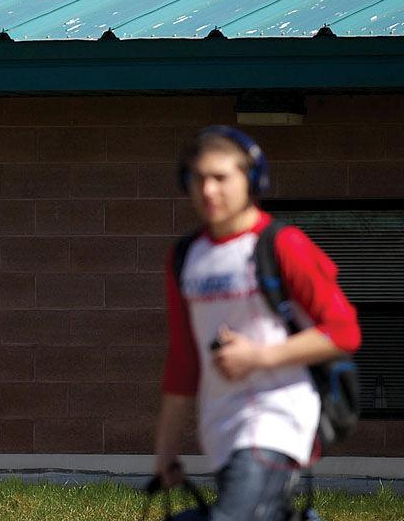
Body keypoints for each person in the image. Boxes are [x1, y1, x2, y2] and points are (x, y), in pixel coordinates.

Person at [153, 126, 361, 520]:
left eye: (221, 177)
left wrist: (260, 357)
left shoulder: (282, 244)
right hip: (221, 425)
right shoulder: (185, 257)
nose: (208, 190)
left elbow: (344, 330)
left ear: (250, 179)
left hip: (278, 417)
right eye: (198, 178)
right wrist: (165, 449)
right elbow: (183, 361)